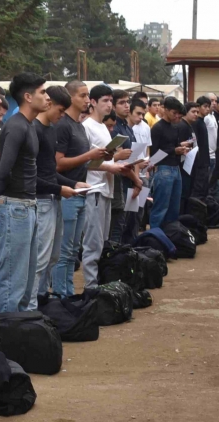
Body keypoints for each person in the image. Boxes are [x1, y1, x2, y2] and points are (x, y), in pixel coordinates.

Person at [0, 73, 49, 313]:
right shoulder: (16, 126)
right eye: (42, 92)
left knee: (26, 280)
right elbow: (2, 172)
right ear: (28, 97)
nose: (47, 97)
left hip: (28, 205)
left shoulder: (28, 125)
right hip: (15, 207)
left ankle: (20, 332)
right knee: (12, 281)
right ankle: (5, 334)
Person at [53, 81, 109, 296]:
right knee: (63, 251)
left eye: (87, 96)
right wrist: (89, 156)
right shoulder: (64, 125)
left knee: (73, 251)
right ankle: (61, 296)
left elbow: (83, 162)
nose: (87, 100)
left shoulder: (78, 125)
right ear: (69, 97)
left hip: (81, 191)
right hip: (66, 194)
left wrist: (103, 157)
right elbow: (58, 163)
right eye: (83, 96)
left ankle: (67, 293)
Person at [31, 86, 84, 308]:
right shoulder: (31, 129)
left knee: (53, 256)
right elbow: (28, 175)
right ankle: (32, 304)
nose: (61, 116)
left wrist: (73, 184)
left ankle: (42, 299)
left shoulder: (50, 129)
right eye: (60, 111)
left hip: (53, 198)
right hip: (39, 200)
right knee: (40, 260)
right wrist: (60, 189)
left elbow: (50, 171)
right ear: (49, 103)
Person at [81, 85, 129, 290]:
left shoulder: (102, 127)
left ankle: (100, 283)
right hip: (94, 189)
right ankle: (91, 287)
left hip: (106, 188)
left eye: (111, 101)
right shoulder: (87, 127)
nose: (109, 105)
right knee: (93, 242)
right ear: (92, 102)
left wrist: (115, 164)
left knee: (103, 241)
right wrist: (113, 165)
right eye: (105, 101)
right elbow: (86, 162)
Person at [108, 89, 143, 244]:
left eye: (128, 102)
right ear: (114, 106)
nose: (126, 106)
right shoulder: (114, 128)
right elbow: (119, 160)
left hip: (132, 180)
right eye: (122, 103)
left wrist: (137, 180)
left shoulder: (127, 127)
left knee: (131, 224)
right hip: (121, 182)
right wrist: (137, 180)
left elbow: (133, 157)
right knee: (118, 227)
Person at [149, 97, 188, 228]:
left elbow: (173, 145)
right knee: (160, 208)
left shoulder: (174, 127)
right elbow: (154, 154)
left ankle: (171, 235)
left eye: (178, 113)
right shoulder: (157, 128)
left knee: (174, 209)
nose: (176, 116)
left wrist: (181, 149)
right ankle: (155, 238)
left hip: (176, 168)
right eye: (174, 113)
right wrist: (174, 150)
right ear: (165, 109)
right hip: (163, 169)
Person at [125, 98, 151, 240]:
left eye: (143, 114)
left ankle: (133, 242)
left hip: (142, 175)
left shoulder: (144, 127)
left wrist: (146, 166)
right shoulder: (128, 129)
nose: (141, 117)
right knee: (129, 215)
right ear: (130, 111)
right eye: (138, 113)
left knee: (138, 214)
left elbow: (146, 149)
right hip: (132, 176)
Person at [177, 102, 199, 204]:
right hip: (183, 165)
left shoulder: (190, 126)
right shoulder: (182, 126)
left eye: (197, 112)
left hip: (190, 164)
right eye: (193, 112)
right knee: (183, 194)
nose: (196, 114)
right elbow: (178, 145)